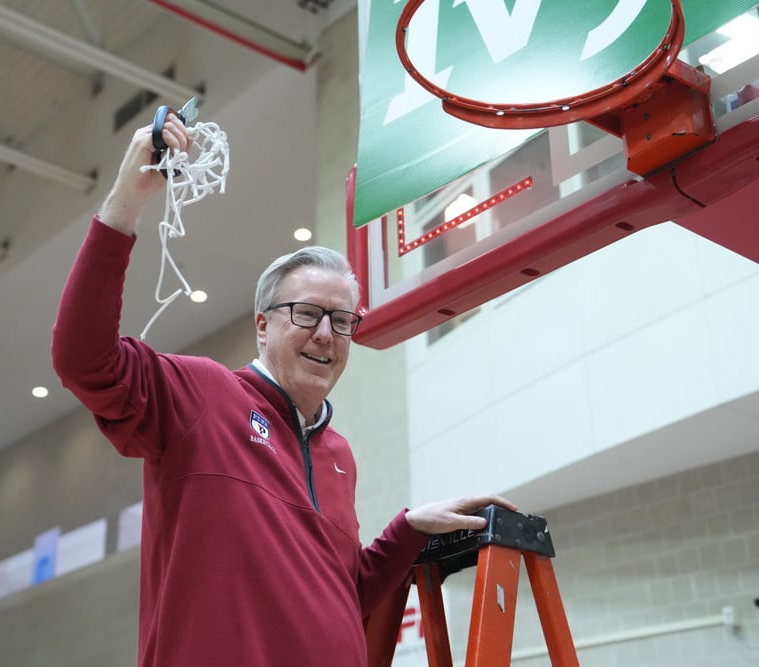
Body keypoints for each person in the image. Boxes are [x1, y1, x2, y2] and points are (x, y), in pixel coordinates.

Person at [52, 111, 516, 666]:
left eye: (341, 321)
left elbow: (343, 595)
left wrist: (407, 530)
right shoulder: (202, 394)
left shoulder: (338, 454)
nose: (326, 334)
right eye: (307, 313)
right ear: (262, 325)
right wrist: (125, 203)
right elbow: (84, 360)